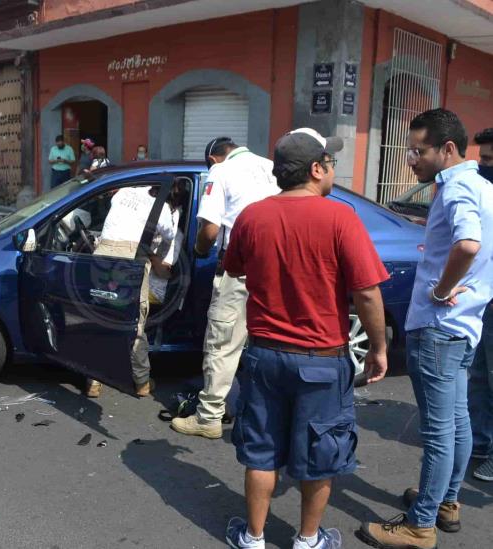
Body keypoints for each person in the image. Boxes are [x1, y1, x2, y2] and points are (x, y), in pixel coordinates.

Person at [222, 128, 389, 549]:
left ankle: (254, 538)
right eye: (330, 163)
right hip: (321, 358)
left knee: (261, 451)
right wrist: (379, 347)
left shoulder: (252, 216)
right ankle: (308, 539)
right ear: (316, 169)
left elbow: (235, 268)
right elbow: (366, 292)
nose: (332, 170)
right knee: (321, 453)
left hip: (264, 356)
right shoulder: (340, 218)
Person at [360, 110, 493, 549]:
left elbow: (469, 244)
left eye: (419, 151)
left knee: (438, 431)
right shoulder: (483, 187)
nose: (412, 160)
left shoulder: (457, 188)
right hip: (464, 324)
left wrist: (443, 289)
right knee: (457, 422)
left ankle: (421, 524)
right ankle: (445, 501)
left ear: (447, 149)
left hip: (440, 326)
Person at [171, 137, 278, 440]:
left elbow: (210, 228)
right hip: (276, 271)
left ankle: (208, 417)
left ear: (214, 159)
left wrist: (200, 250)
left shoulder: (220, 172)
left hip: (241, 270)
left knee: (223, 343)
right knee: (267, 344)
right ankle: (266, 416)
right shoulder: (271, 167)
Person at [86, 182, 178, 398]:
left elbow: (115, 213)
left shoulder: (125, 192)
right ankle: (142, 382)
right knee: (134, 319)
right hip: (131, 257)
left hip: (103, 253)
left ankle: (93, 382)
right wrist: (157, 258)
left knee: (102, 316)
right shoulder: (162, 207)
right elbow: (169, 236)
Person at [469, 128, 493, 482]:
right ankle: (481, 440)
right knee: (478, 375)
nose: (482, 164)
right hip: (484, 298)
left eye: (489, 160)